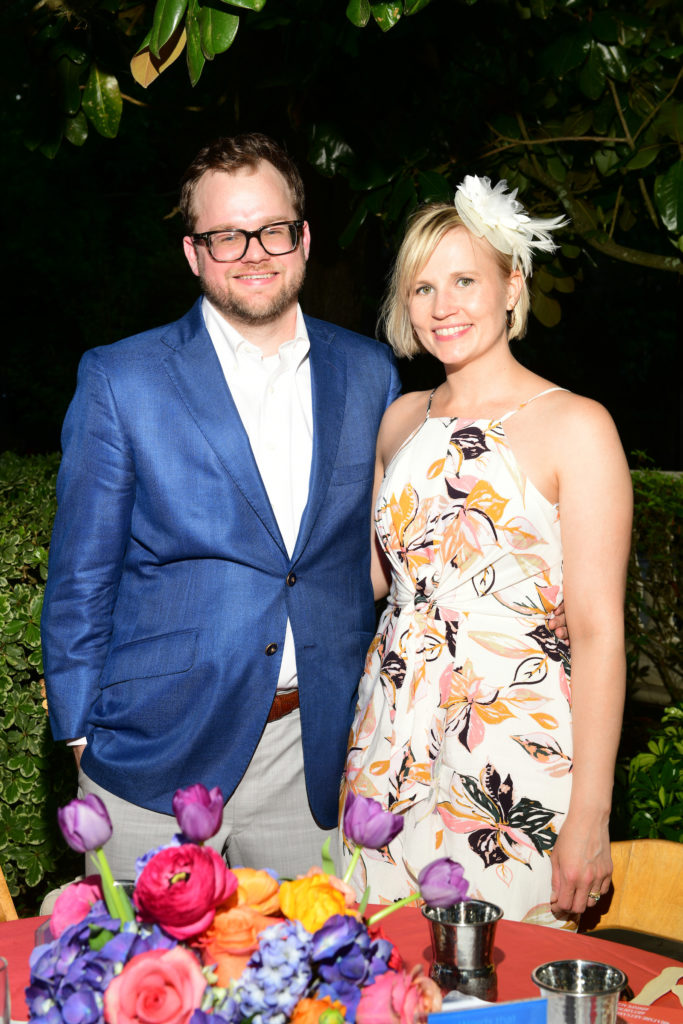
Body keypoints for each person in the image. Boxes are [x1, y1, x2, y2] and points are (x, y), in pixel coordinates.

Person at [40, 132, 402, 880]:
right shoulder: (122, 378)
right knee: (144, 989)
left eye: (271, 229)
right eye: (225, 236)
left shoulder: (369, 373)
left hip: (313, 758)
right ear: (192, 252)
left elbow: (382, 552)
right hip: (152, 758)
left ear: (302, 238)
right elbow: (82, 574)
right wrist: (80, 733)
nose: (252, 252)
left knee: (311, 990)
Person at [339, 176, 632, 928]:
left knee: (502, 980)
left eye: (465, 279)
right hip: (386, 737)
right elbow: (367, 582)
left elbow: (598, 633)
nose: (443, 306)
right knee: (375, 972)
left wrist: (589, 816)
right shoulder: (400, 420)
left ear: (512, 284)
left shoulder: (576, 425)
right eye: (422, 288)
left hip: (512, 742)